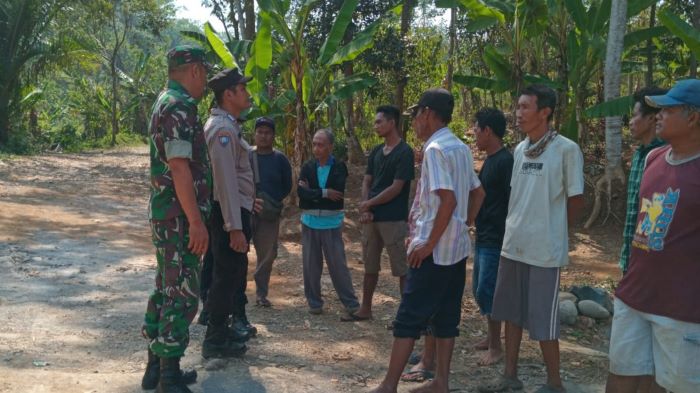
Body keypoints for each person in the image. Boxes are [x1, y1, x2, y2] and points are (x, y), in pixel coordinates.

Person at [369, 88, 485, 393]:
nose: (415, 123)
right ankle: (441, 382)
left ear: (428, 114)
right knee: (446, 317)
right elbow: (478, 192)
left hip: (433, 252)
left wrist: (429, 243)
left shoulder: (435, 150)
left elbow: (446, 201)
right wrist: (464, 225)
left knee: (409, 317)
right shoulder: (460, 147)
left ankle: (389, 385)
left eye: (417, 115)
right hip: (456, 250)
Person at [478, 85, 584, 393]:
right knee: (510, 312)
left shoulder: (566, 149)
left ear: (545, 112)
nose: (518, 113)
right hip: (513, 245)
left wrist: (556, 231)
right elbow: (518, 196)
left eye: (525, 107)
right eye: (518, 106)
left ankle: (554, 382)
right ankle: (510, 375)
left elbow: (575, 199)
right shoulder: (521, 149)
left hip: (544, 251)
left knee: (543, 320)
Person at [606, 79, 700, 393]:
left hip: (682, 309)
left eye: (667, 109)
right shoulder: (652, 159)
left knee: (672, 386)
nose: (657, 114)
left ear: (693, 117)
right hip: (635, 295)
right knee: (621, 373)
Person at [141, 45, 211, 393]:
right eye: (205, 73)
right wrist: (196, 222)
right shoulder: (180, 106)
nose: (206, 81)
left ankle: (155, 367)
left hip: (165, 213)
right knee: (183, 292)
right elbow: (180, 167)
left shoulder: (162, 100)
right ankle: (169, 375)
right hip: (179, 218)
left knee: (165, 287)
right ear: (195, 70)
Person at [201, 67, 258, 359]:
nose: (247, 94)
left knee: (230, 275)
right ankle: (215, 339)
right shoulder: (222, 130)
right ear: (228, 94)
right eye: (242, 89)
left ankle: (219, 332)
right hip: (228, 216)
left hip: (234, 212)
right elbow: (224, 182)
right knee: (226, 276)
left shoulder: (229, 125)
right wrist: (234, 227)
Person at [344, 105, 414, 322]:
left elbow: (397, 187)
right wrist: (366, 206)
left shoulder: (405, 152)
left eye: (379, 122)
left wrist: (368, 204)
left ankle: (406, 315)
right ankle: (366, 308)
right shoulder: (375, 151)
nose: (375, 126)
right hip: (372, 219)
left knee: (401, 269)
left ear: (392, 123)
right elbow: (367, 180)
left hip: (393, 219)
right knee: (370, 266)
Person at [297, 129, 360, 316]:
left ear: (330, 147)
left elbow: (338, 193)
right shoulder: (307, 166)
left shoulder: (340, 167)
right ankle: (314, 303)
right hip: (309, 222)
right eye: (315, 144)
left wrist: (312, 192)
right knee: (310, 266)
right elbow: (301, 195)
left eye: (321, 144)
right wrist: (324, 193)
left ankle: (351, 303)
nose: (316, 148)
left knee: (338, 266)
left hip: (331, 224)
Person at [471, 108, 513, 366]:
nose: (474, 135)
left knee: (488, 291)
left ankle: (497, 348)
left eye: (476, 130)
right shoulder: (489, 159)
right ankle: (491, 337)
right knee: (480, 290)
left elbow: (510, 200)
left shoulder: (505, 162)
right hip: (484, 234)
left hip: (496, 237)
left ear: (488, 131)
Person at [618, 87, 667, 274]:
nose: (630, 122)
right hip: (631, 253)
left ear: (651, 118)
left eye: (634, 115)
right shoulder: (639, 154)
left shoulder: (665, 155)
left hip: (653, 258)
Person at [250, 116, 292, 307]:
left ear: (273, 136)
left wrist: (271, 202)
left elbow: (287, 186)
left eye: (267, 133)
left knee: (267, 254)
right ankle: (235, 293)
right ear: (254, 134)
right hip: (246, 211)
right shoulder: (246, 156)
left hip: (269, 215)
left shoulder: (280, 159)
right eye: (260, 132)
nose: (263, 136)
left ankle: (261, 294)